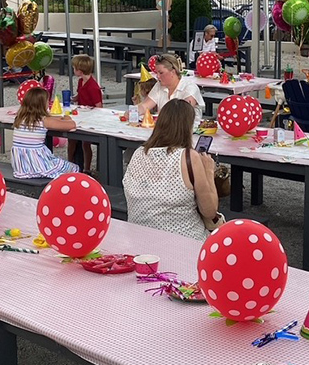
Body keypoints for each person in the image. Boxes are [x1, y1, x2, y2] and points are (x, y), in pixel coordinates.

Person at [123, 99, 223, 240]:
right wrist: (208, 171)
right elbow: (210, 211)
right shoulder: (188, 157)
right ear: (187, 127)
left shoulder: (139, 153)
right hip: (182, 241)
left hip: (138, 239)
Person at [11, 87, 79, 179]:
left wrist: (58, 118)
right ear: (42, 104)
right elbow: (71, 125)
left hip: (21, 165)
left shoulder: (20, 118)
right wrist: (67, 118)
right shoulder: (44, 121)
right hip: (38, 164)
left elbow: (50, 118)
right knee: (73, 168)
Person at [137, 53, 203, 119]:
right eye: (157, 73)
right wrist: (132, 111)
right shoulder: (159, 85)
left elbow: (183, 114)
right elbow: (145, 106)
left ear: (173, 72)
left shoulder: (190, 88)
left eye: (161, 73)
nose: (157, 76)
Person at [67, 54, 102, 172]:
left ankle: (87, 168)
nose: (73, 70)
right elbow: (79, 95)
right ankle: (70, 163)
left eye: (74, 68)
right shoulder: (81, 81)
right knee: (71, 139)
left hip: (90, 117)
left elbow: (99, 106)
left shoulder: (93, 86)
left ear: (80, 70)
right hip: (80, 114)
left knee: (86, 144)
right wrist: (73, 99)